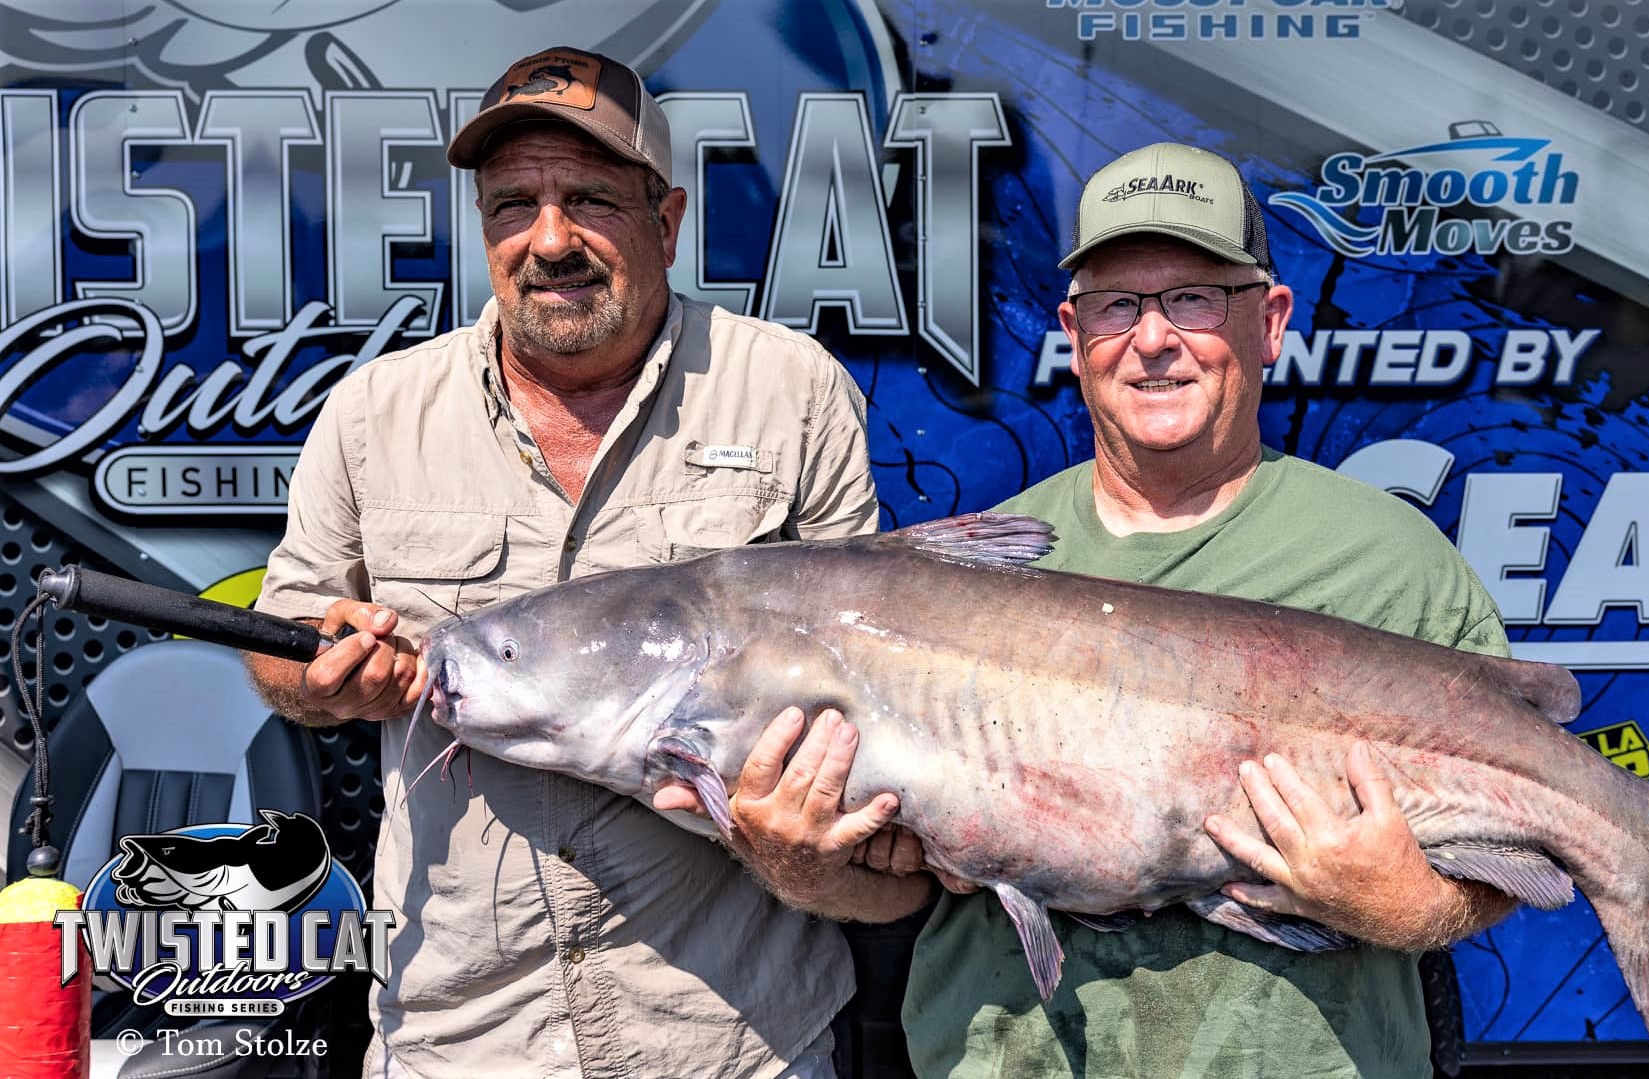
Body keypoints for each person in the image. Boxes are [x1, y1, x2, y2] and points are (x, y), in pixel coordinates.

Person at [714, 142, 1522, 1078]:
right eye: (1117, 305)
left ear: (1269, 321)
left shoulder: (1390, 562)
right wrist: (803, 865)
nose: (1151, 338)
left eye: (1193, 297)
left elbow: (1512, 848)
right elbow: (898, 894)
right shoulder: (966, 568)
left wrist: (1413, 906)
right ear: (1073, 329)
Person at [244, 45, 910, 1079]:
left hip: (732, 1038)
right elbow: (285, 648)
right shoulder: (377, 412)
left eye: (589, 199)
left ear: (668, 220)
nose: (549, 241)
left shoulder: (789, 392)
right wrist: (325, 674)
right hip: (460, 1037)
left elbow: (877, 672)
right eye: (514, 204)